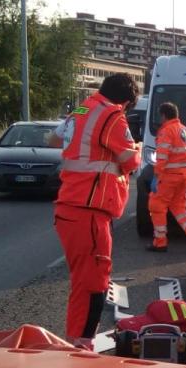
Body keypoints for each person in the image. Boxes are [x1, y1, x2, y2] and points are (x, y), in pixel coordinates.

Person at [50, 73, 142, 349]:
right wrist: (136, 148)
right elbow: (130, 160)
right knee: (94, 282)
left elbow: (53, 140)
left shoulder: (81, 108)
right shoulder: (113, 115)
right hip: (90, 210)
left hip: (70, 206)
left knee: (82, 280)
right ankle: (81, 345)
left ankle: (76, 343)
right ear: (126, 101)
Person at [147, 102, 186, 252]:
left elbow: (162, 156)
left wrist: (156, 176)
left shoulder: (167, 131)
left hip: (169, 177)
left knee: (156, 206)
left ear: (163, 115)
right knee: (178, 206)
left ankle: (160, 242)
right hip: (185, 176)